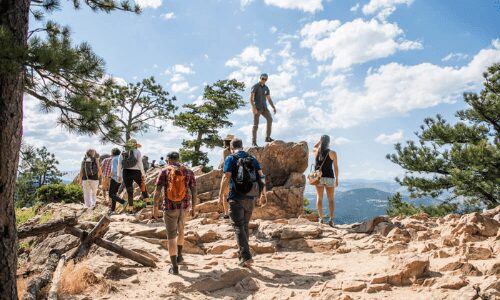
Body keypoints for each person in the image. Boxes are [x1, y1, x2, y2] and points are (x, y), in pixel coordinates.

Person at [218, 138, 265, 267]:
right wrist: (263, 194)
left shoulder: (230, 158)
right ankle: (243, 254)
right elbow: (262, 176)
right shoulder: (252, 158)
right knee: (244, 226)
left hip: (236, 197)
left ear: (231, 147)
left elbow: (226, 176)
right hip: (251, 197)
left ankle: (246, 257)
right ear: (242, 146)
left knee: (238, 227)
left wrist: (221, 195)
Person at [152, 151, 197, 275]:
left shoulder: (164, 171)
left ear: (168, 160)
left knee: (171, 236)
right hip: (184, 207)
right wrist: (194, 207)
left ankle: (175, 267)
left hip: (169, 207)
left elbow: (157, 191)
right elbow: (194, 191)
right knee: (181, 231)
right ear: (179, 158)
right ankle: (180, 256)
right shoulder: (188, 171)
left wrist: (154, 207)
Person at [312, 135, 339, 227]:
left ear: (321, 141)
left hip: (318, 178)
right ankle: (331, 220)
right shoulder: (333, 153)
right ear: (329, 142)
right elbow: (335, 167)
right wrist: (337, 179)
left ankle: (321, 219)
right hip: (330, 178)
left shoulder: (316, 152)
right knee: (331, 199)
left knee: (319, 198)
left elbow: (314, 146)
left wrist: (319, 141)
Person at [120, 139, 148, 213]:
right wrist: (143, 173)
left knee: (129, 191)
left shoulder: (122, 152)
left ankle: (131, 209)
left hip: (126, 172)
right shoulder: (137, 152)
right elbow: (140, 163)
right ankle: (148, 205)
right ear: (135, 145)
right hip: (136, 172)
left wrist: (118, 175)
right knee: (143, 187)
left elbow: (119, 164)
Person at [250, 73, 277, 147]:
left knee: (270, 119)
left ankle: (267, 137)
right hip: (257, 108)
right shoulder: (255, 86)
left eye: (265, 79)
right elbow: (251, 98)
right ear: (260, 78)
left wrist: (273, 107)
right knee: (255, 125)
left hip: (264, 108)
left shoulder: (266, 88)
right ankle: (254, 142)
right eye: (263, 78)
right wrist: (253, 107)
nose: (264, 80)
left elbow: (269, 98)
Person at [218, 134, 234, 219]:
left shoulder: (225, 151)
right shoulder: (236, 150)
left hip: (227, 174)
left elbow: (225, 163)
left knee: (225, 195)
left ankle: (226, 213)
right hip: (235, 175)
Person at [108, 148, 127, 215]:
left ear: (113, 153)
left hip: (115, 178)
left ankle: (123, 202)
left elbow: (114, 169)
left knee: (110, 194)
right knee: (114, 194)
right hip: (121, 178)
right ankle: (113, 210)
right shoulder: (121, 158)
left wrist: (110, 175)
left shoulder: (114, 159)